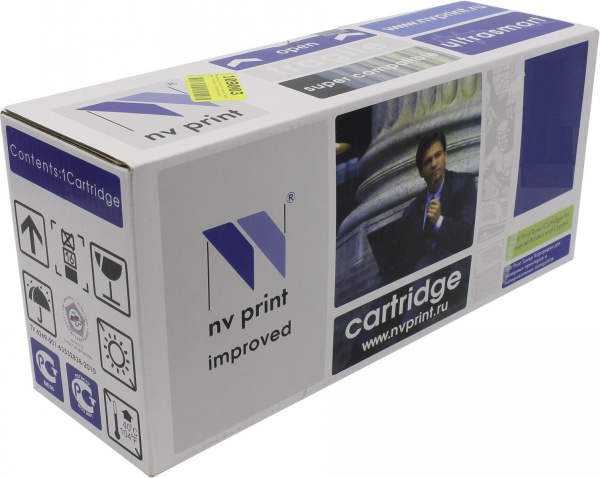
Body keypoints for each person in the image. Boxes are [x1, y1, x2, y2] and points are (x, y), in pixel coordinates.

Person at [401, 131, 477, 271]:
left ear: (445, 155)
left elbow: (467, 235)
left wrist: (438, 221)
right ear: (420, 172)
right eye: (428, 161)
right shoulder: (411, 211)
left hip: (455, 267)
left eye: (438, 155)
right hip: (422, 272)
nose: (434, 164)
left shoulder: (464, 184)